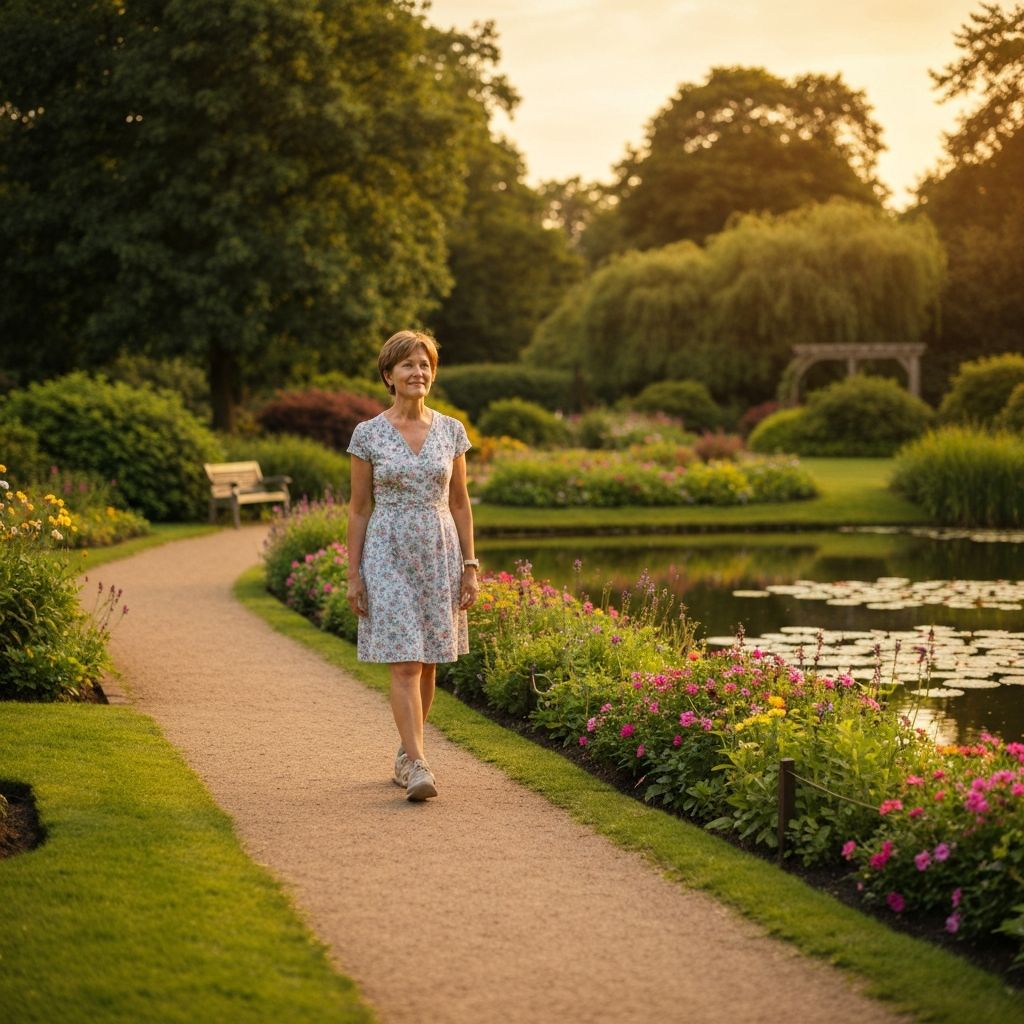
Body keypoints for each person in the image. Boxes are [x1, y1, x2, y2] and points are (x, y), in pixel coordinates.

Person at [345, 330, 479, 801]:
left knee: (426, 664)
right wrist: (353, 573)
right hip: (387, 553)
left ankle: (406, 753)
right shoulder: (369, 435)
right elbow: (360, 509)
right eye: (408, 365)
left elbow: (461, 504)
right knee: (404, 662)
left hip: (439, 551)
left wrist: (470, 565)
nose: (417, 373)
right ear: (389, 374)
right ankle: (420, 763)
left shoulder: (451, 431)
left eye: (425, 365)